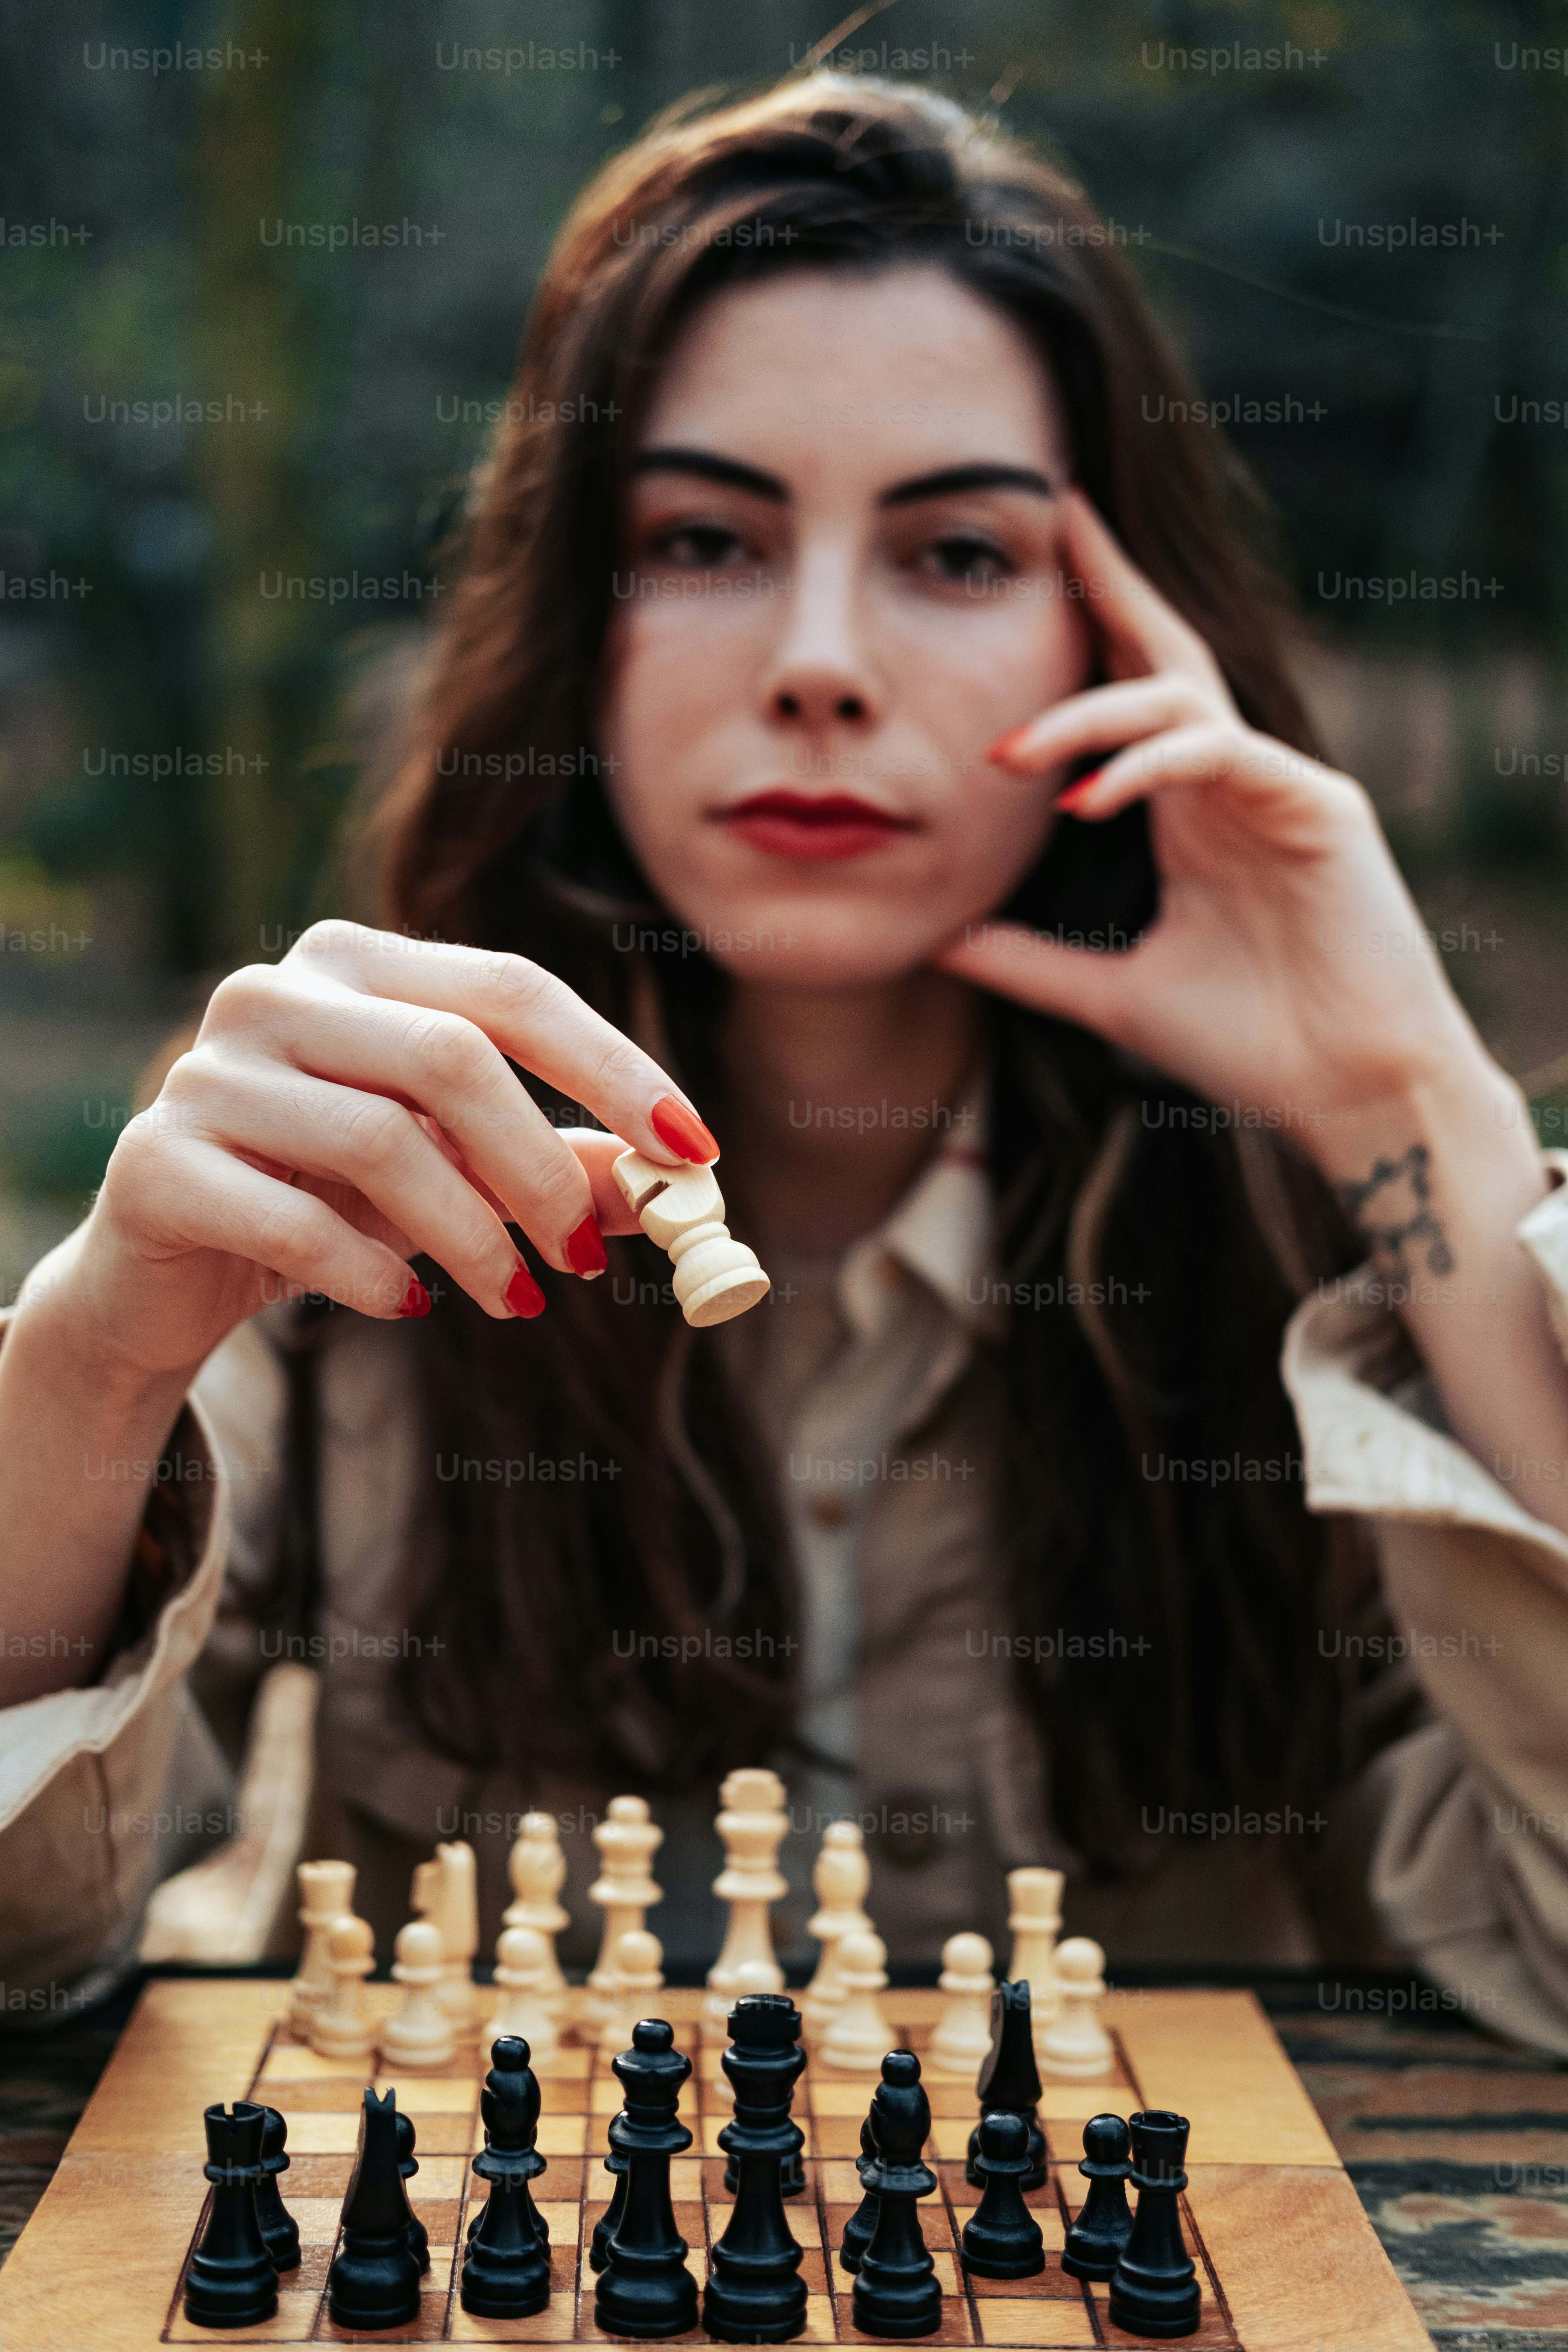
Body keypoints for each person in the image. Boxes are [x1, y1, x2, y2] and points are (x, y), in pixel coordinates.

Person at [2, 78, 1567, 2045]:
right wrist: (88, 1358)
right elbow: (16, 1943)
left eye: (960, 554)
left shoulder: (1309, 1239)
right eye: (707, 536)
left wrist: (1414, 1100)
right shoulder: (354, 1184)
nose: (819, 661)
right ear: (580, 629)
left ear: (1115, 639)